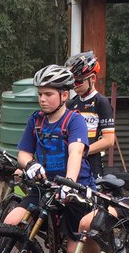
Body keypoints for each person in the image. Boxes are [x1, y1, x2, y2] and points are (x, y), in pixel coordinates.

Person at [5, 64, 94, 239]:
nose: (42, 99)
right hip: (44, 189)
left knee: (72, 250)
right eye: (40, 94)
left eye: (48, 94)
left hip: (74, 192)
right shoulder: (35, 120)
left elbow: (76, 152)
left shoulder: (75, 121)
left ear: (64, 95)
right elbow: (24, 153)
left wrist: (69, 183)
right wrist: (30, 164)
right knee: (10, 224)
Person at [66, 51, 116, 180]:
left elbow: (109, 140)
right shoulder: (71, 104)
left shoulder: (101, 102)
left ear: (92, 78)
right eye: (72, 82)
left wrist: (81, 152)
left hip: (92, 164)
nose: (74, 86)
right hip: (71, 162)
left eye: (78, 81)